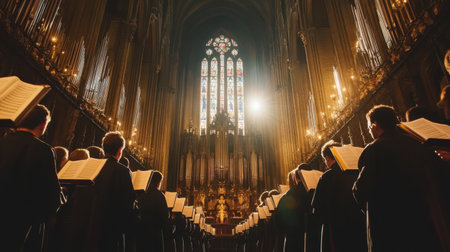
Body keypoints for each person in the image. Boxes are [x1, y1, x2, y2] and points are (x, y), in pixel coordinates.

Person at [353, 105, 445, 251]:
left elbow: (361, 190)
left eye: (369, 127)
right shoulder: (415, 142)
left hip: (389, 222)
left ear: (375, 125)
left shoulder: (373, 149)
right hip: (419, 217)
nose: (369, 130)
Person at [0, 104, 62, 251]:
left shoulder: (3, 141)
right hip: (22, 221)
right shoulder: (44, 150)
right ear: (43, 125)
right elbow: (52, 196)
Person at [312, 140, 366, 252]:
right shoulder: (357, 172)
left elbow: (317, 208)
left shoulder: (327, 176)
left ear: (327, 158)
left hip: (337, 228)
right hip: (359, 224)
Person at [87, 131, 135, 251]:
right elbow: (128, 202)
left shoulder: (92, 167)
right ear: (120, 150)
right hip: (111, 227)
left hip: (89, 225)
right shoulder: (123, 171)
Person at [135, 171, 169, 252]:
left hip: (141, 233)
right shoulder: (160, 196)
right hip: (155, 234)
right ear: (159, 182)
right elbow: (164, 218)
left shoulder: (141, 194)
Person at [275, 169, 306, 252]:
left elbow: (279, 218)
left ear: (295, 178)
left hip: (294, 236)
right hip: (312, 235)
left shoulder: (291, 193)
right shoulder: (312, 190)